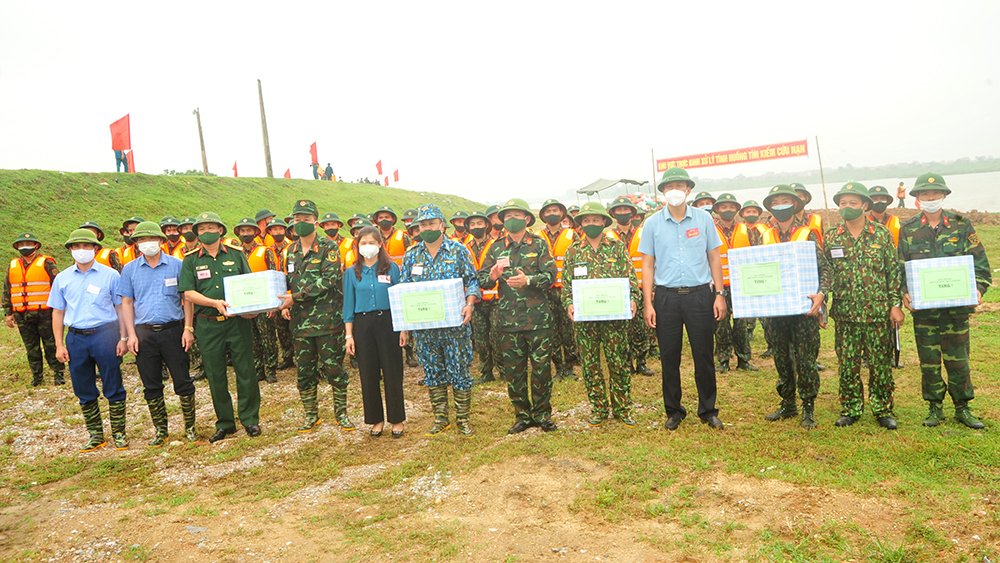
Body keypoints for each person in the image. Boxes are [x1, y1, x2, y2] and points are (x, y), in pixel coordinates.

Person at [899, 173, 991, 429]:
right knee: (929, 361)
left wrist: (978, 289)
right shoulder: (908, 229)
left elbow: (981, 266)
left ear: (944, 195)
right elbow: (900, 267)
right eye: (925, 194)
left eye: (935, 193)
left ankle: (963, 407)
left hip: (955, 311)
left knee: (958, 360)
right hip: (925, 312)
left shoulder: (962, 225)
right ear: (917, 198)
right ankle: (934, 407)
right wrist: (904, 291)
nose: (930, 197)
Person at [639, 168, 725, 431]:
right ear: (663, 192)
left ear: (688, 190)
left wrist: (719, 294)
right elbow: (647, 265)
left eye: (679, 186)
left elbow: (714, 257)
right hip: (666, 298)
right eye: (669, 186)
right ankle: (674, 411)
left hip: (700, 295)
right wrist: (648, 303)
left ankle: (708, 410)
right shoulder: (652, 224)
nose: (674, 191)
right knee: (669, 356)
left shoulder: (703, 219)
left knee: (703, 354)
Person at [477, 198, 558, 434]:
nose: (512, 219)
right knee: (515, 372)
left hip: (538, 320)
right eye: (508, 216)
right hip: (509, 322)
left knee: (541, 370)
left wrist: (528, 280)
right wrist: (492, 276)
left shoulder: (539, 244)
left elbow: (551, 276)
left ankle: (542, 415)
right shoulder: (495, 248)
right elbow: (482, 279)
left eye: (516, 215)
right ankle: (522, 416)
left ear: (527, 218)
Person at [825, 183, 902, 430]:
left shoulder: (881, 234)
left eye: (853, 203)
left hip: (877, 312)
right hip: (845, 313)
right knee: (848, 364)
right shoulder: (832, 236)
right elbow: (825, 273)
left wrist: (895, 305)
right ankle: (851, 408)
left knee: (880, 364)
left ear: (865, 205)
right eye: (843, 203)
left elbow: (892, 272)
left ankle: (883, 409)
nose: (846, 207)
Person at [179, 212, 261, 442]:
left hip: (237, 322)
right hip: (208, 324)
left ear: (220, 230)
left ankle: (250, 419)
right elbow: (188, 293)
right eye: (202, 229)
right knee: (215, 375)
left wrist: (253, 308)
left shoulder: (236, 254)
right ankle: (225, 423)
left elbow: (249, 284)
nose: (207, 232)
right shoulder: (191, 260)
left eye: (211, 227)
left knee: (245, 370)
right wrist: (213, 303)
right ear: (197, 233)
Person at [400, 204, 480, 435]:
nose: (427, 228)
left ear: (442, 225)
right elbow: (404, 290)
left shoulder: (458, 250)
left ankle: (463, 419)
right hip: (425, 328)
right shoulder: (412, 255)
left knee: (460, 371)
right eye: (423, 224)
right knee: (433, 372)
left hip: (455, 326)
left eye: (431, 223)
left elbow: (472, 280)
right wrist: (404, 327)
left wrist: (470, 304)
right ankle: (440, 418)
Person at [117, 222, 199, 445]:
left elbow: (187, 298)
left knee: (183, 380)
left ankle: (190, 428)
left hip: (173, 331)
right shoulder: (130, 269)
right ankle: (161, 430)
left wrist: (188, 328)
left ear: (161, 241)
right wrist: (130, 335)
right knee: (151, 384)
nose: (147, 243)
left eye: (151, 239)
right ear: (136, 244)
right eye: (142, 240)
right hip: (143, 334)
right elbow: (126, 303)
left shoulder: (177, 265)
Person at [48, 228, 129, 451]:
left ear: (95, 248)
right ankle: (95, 435)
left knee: (113, 384)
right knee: (83, 386)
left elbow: (120, 308)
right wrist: (59, 344)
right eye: (76, 246)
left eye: (86, 246)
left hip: (106, 334)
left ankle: (119, 433)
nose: (81, 250)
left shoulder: (110, 275)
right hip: (76, 338)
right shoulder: (62, 278)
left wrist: (123, 337)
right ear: (70, 250)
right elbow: (57, 312)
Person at [759, 185, 830, 429]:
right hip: (776, 310)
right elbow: (757, 270)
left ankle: (808, 405)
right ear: (770, 207)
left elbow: (825, 269)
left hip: (803, 310)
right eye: (775, 202)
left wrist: (822, 295)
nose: (781, 205)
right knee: (781, 357)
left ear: (795, 204)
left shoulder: (808, 233)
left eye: (785, 201)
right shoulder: (764, 236)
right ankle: (788, 402)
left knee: (806, 358)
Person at [562, 202, 640, 426]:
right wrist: (569, 304)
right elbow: (566, 285)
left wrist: (633, 299)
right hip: (585, 320)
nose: (591, 224)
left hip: (614, 318)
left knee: (618, 362)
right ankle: (598, 408)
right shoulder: (573, 251)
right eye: (586, 220)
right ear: (580, 224)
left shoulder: (617, 247)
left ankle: (622, 408)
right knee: (590, 365)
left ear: (604, 222)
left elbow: (630, 278)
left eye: (596, 220)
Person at [279, 200, 353, 432]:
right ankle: (311, 416)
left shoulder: (328, 247)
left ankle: (341, 414)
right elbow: (288, 280)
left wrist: (295, 297)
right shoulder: (290, 251)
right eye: (297, 219)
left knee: (334, 370)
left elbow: (329, 280)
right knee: (304, 371)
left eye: (306, 219)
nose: (301, 223)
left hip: (327, 322)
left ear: (316, 222)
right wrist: (283, 303)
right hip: (300, 324)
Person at [343, 226, 405, 437]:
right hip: (363, 325)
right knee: (368, 373)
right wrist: (349, 335)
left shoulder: (391, 268)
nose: (367, 246)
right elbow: (348, 305)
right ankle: (375, 419)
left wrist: (403, 328)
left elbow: (399, 299)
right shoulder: (351, 273)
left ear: (380, 244)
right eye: (363, 243)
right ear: (357, 246)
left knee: (392, 371)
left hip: (388, 322)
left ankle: (397, 419)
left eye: (371, 242)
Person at [4, 232, 65, 386]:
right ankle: (37, 376)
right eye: (21, 244)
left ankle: (58, 373)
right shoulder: (13, 265)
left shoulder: (47, 263)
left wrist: (60, 308)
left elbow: (58, 285)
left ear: (36, 245)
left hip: (45, 313)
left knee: (51, 344)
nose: (25, 246)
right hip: (22, 314)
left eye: (28, 243)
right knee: (31, 347)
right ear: (17, 247)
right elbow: (7, 289)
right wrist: (8, 312)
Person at [607, 196, 653, 376]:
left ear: (632, 213)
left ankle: (641, 362)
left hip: (641, 287)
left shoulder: (643, 233)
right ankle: (626, 363)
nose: (623, 213)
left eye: (626, 210)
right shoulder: (608, 236)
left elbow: (653, 261)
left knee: (640, 328)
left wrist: (652, 288)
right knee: (622, 329)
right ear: (613, 213)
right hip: (617, 290)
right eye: (619, 210)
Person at [711, 193, 757, 372]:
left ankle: (744, 360)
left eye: (731, 207)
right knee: (721, 324)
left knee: (741, 325)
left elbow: (756, 254)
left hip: (741, 284)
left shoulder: (746, 230)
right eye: (724, 207)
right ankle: (723, 360)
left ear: (737, 209)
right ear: (717, 210)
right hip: (719, 285)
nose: (728, 210)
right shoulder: (711, 230)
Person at [535, 199, 579, 380]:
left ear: (562, 214)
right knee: (550, 330)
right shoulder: (536, 237)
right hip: (544, 291)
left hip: (566, 289)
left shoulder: (572, 235)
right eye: (548, 211)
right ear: (543, 215)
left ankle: (569, 366)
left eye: (555, 210)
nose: (552, 213)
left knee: (568, 330)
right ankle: (558, 367)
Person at [234, 218, 279, 383]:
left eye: (249, 230)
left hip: (264, 301)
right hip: (244, 301)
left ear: (255, 232)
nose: (246, 233)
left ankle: (270, 369)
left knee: (267, 336)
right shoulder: (235, 253)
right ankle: (258, 368)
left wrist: (274, 304)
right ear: (238, 233)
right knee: (251, 337)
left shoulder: (265, 251)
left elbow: (274, 275)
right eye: (243, 231)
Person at [867, 185, 904, 368]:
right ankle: (867, 354)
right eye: (875, 199)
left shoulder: (895, 221)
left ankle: (891, 353)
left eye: (882, 199)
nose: (879, 202)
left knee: (893, 313)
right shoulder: (864, 220)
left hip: (893, 270)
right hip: (872, 273)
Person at [464, 210, 499, 383]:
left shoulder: (496, 244)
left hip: (496, 298)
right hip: (475, 299)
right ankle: (486, 372)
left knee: (497, 335)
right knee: (480, 338)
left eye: (479, 223)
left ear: (486, 225)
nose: (476, 227)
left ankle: (503, 369)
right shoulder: (464, 247)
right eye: (472, 224)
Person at [265, 219, 295, 370]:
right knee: (281, 329)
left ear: (285, 231)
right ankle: (287, 357)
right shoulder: (268, 251)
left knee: (294, 327)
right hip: (275, 293)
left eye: (280, 229)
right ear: (270, 232)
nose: (277, 232)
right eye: (274, 229)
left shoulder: (291, 248)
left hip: (290, 293)